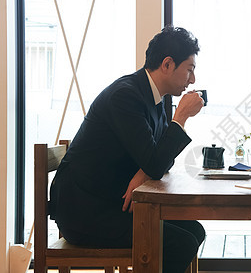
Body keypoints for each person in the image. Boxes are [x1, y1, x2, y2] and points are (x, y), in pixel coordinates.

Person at [49, 26, 206, 272]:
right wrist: (181, 117)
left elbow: (159, 160)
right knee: (181, 243)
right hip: (87, 213)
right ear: (167, 64)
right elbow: (156, 161)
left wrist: (145, 171)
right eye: (190, 69)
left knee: (195, 230)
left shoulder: (155, 98)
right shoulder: (126, 96)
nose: (193, 80)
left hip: (111, 203)